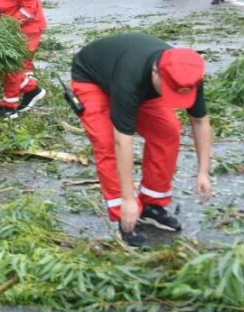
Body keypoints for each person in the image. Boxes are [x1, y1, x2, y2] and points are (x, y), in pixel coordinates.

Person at [68, 33, 213, 247]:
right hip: (92, 79)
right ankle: (124, 216)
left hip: (135, 81)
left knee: (168, 131)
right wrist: (127, 198)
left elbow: (200, 121)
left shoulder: (186, 73)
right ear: (156, 72)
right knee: (106, 142)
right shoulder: (130, 78)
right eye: (170, 91)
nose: (176, 98)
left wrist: (203, 172)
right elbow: (122, 141)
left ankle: (152, 203)